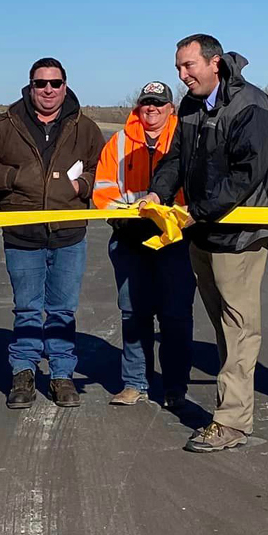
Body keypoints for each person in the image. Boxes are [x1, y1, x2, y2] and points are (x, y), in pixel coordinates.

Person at [142, 34, 268, 453]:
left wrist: (196, 211)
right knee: (224, 329)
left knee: (240, 331)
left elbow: (245, 175)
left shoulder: (249, 106)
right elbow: (175, 159)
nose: (183, 77)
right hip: (201, 233)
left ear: (214, 63)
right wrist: (157, 193)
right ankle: (231, 412)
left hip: (238, 237)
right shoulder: (189, 106)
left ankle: (232, 422)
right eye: (178, 69)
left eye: (189, 67)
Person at [0, 58, 104, 409]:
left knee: (62, 310)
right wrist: (13, 178)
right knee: (27, 309)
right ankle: (23, 372)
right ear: (30, 86)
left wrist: (82, 185)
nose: (48, 90)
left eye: (55, 83)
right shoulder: (7, 125)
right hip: (22, 234)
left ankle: (61, 375)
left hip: (68, 234)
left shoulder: (83, 127)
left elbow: (100, 168)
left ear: (65, 85)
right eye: (40, 83)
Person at [94, 81, 194, 408]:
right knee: (133, 314)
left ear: (171, 108)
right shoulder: (119, 143)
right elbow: (103, 192)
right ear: (138, 107)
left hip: (175, 241)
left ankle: (175, 386)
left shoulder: (185, 139)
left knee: (175, 315)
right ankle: (135, 382)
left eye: (158, 104)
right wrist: (123, 219)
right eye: (146, 103)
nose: (151, 109)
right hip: (129, 240)